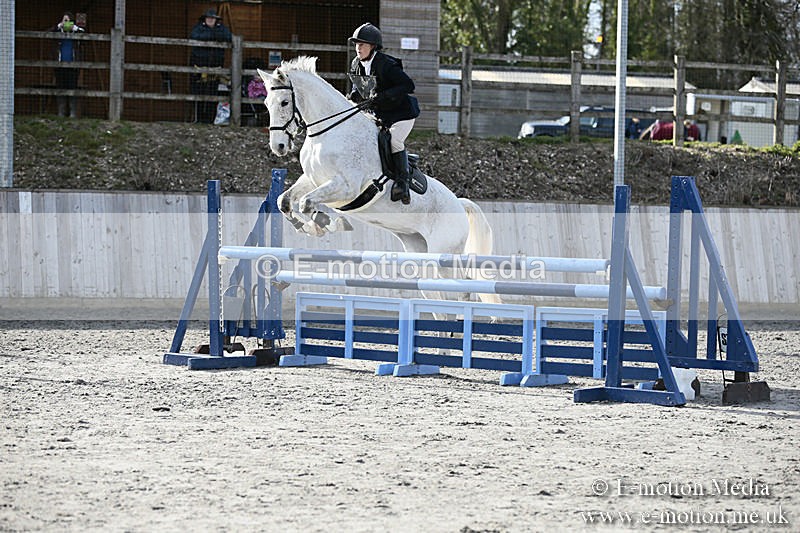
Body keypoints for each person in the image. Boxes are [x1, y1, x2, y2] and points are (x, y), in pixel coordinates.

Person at [346, 23, 420, 205]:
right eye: (356, 44)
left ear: (373, 46)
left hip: (401, 114)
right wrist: (351, 98)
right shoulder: (356, 64)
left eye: (362, 44)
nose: (358, 48)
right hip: (381, 114)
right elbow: (358, 87)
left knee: (394, 140)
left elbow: (408, 85)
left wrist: (384, 95)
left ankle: (403, 184)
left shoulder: (387, 65)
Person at [189, 9, 232, 123]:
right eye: (208, 18)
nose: (210, 20)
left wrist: (211, 35)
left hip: (215, 67)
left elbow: (229, 37)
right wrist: (214, 35)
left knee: (213, 92)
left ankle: (210, 120)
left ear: (216, 20)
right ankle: (198, 119)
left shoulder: (221, 28)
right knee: (198, 92)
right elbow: (194, 36)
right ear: (204, 19)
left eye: (213, 18)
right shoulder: (198, 28)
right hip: (199, 66)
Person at [51, 11, 84, 118]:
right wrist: (59, 26)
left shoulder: (76, 32)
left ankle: (72, 112)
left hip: (73, 66)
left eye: (68, 21)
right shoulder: (58, 31)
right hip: (59, 65)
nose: (66, 23)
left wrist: (75, 28)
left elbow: (84, 35)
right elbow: (49, 33)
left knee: (72, 88)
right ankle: (61, 112)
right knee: (60, 87)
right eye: (64, 20)